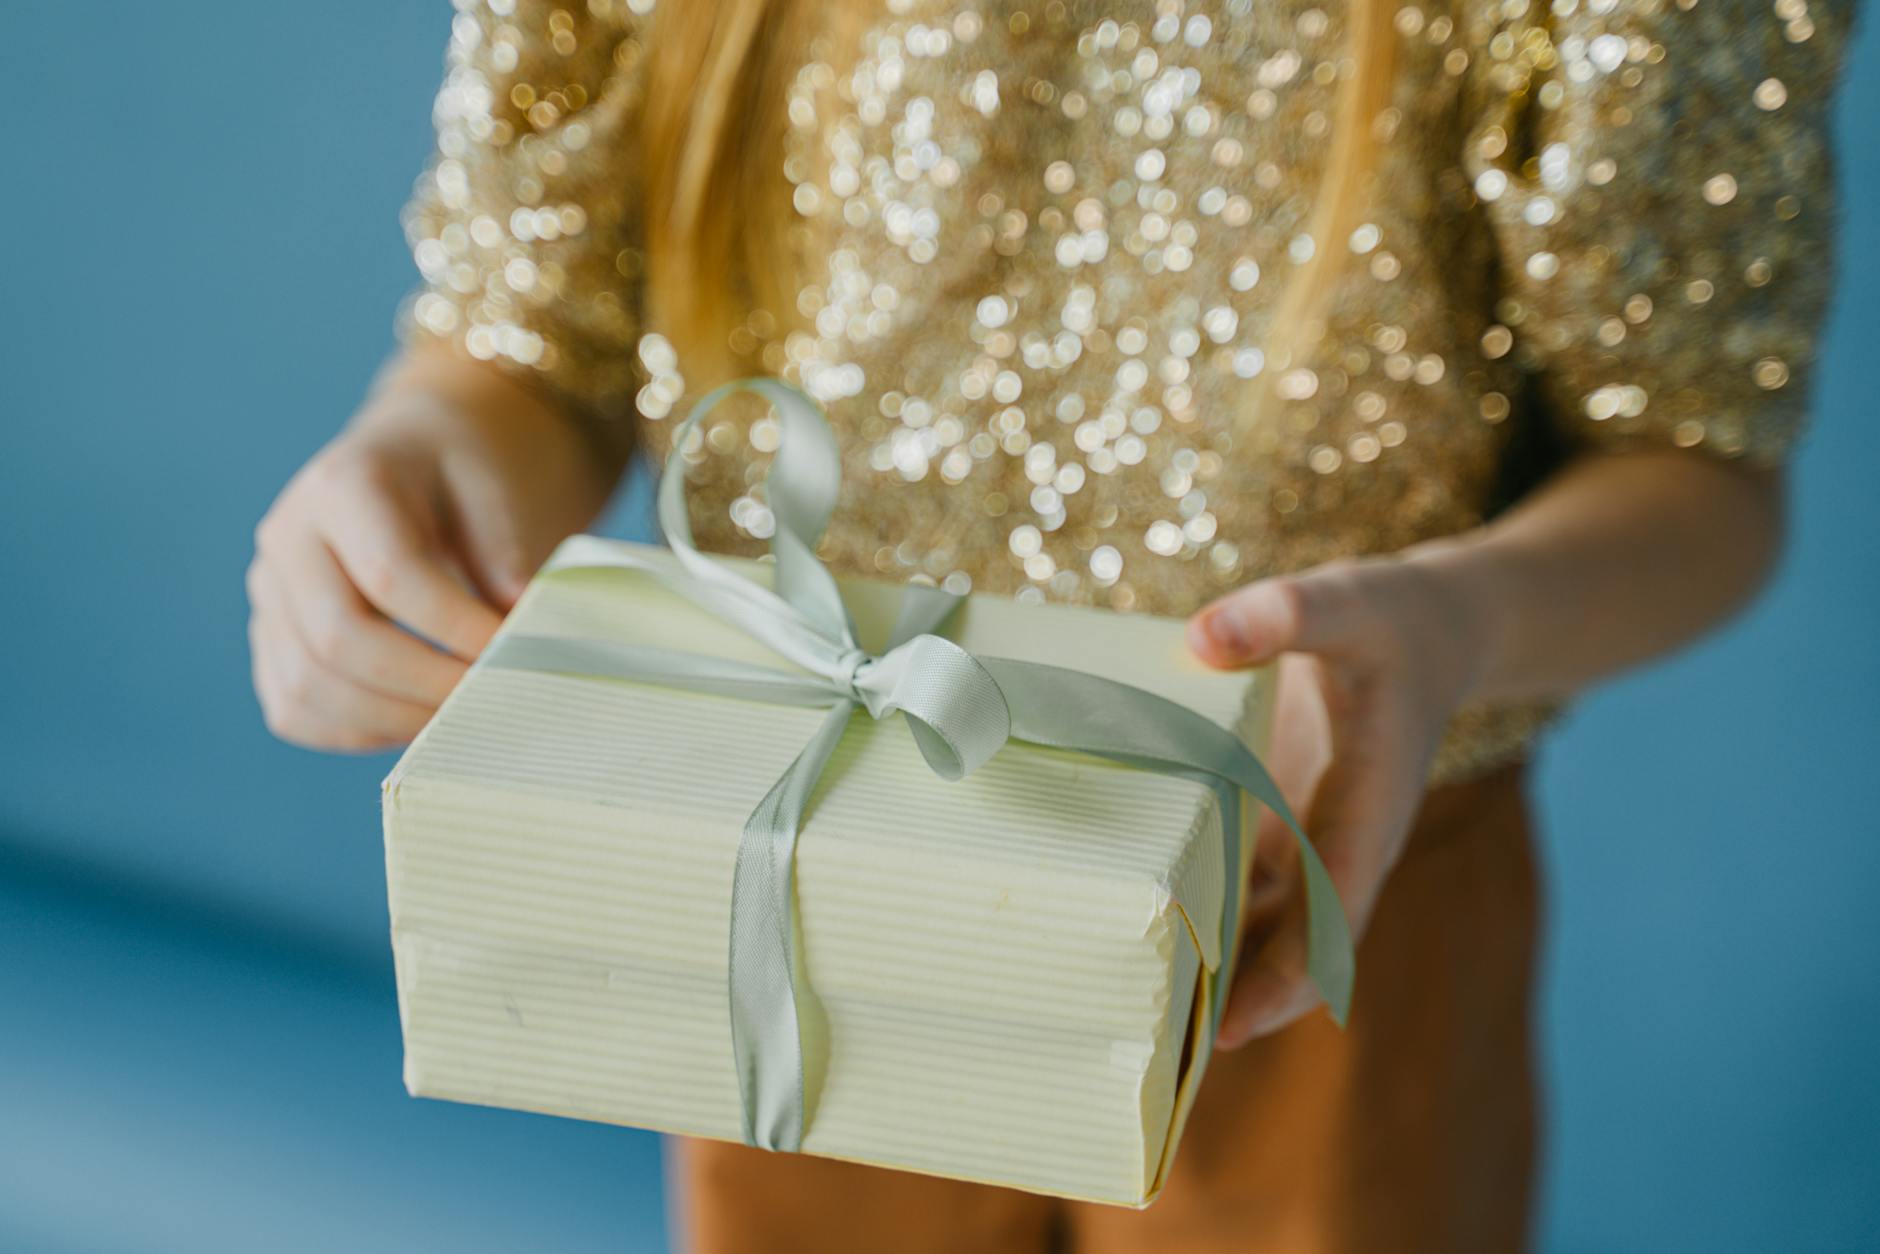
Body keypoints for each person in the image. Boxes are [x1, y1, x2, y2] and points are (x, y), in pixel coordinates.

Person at [245, 2, 1850, 1249]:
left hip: (1325, 911)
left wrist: (1455, 623)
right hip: (805, 879)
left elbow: (1697, 463)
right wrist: (421, 453)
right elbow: (529, 339)